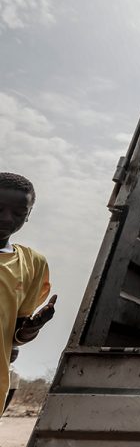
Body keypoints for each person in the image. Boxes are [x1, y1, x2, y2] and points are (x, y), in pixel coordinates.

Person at [0, 172, 56, 410]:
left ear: (29, 214)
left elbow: (14, 337)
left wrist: (31, 329)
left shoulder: (33, 264)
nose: (6, 218)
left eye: (19, 213)